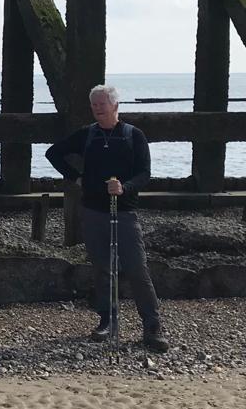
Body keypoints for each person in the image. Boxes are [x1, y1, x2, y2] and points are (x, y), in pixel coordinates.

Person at [46, 84, 170, 353]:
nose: (98, 109)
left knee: (137, 268)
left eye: (102, 104)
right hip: (93, 211)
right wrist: (77, 178)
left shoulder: (133, 135)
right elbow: (53, 153)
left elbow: (145, 173)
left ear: (115, 105)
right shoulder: (87, 135)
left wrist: (125, 187)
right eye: (94, 105)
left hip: (124, 211)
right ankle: (107, 319)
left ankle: (152, 324)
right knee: (102, 268)